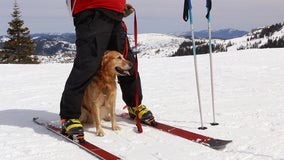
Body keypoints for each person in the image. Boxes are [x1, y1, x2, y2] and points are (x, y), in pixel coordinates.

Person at [60, 0, 156, 138]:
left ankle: (134, 105)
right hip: (90, 10)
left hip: (116, 13)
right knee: (87, 65)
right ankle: (69, 116)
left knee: (126, 64)